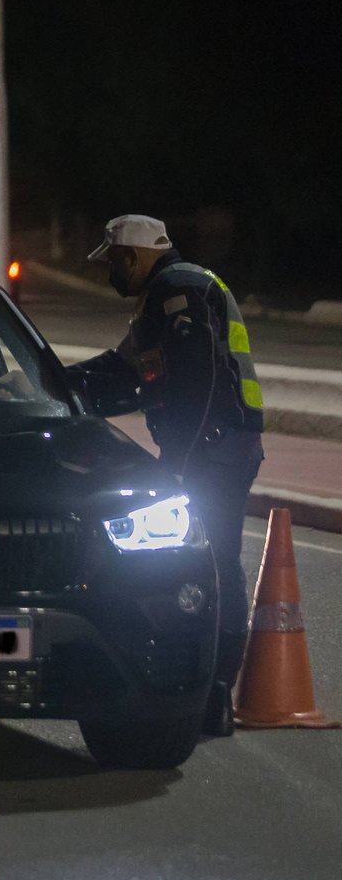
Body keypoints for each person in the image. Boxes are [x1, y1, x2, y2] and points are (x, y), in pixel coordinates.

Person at [67, 214, 264, 736]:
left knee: (215, 562)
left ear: (133, 256)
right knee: (199, 561)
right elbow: (122, 370)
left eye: (112, 262)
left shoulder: (180, 291)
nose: (110, 273)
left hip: (214, 449)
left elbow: (197, 383)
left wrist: (181, 463)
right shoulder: (162, 298)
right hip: (214, 448)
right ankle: (204, 689)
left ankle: (215, 692)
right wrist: (52, 384)